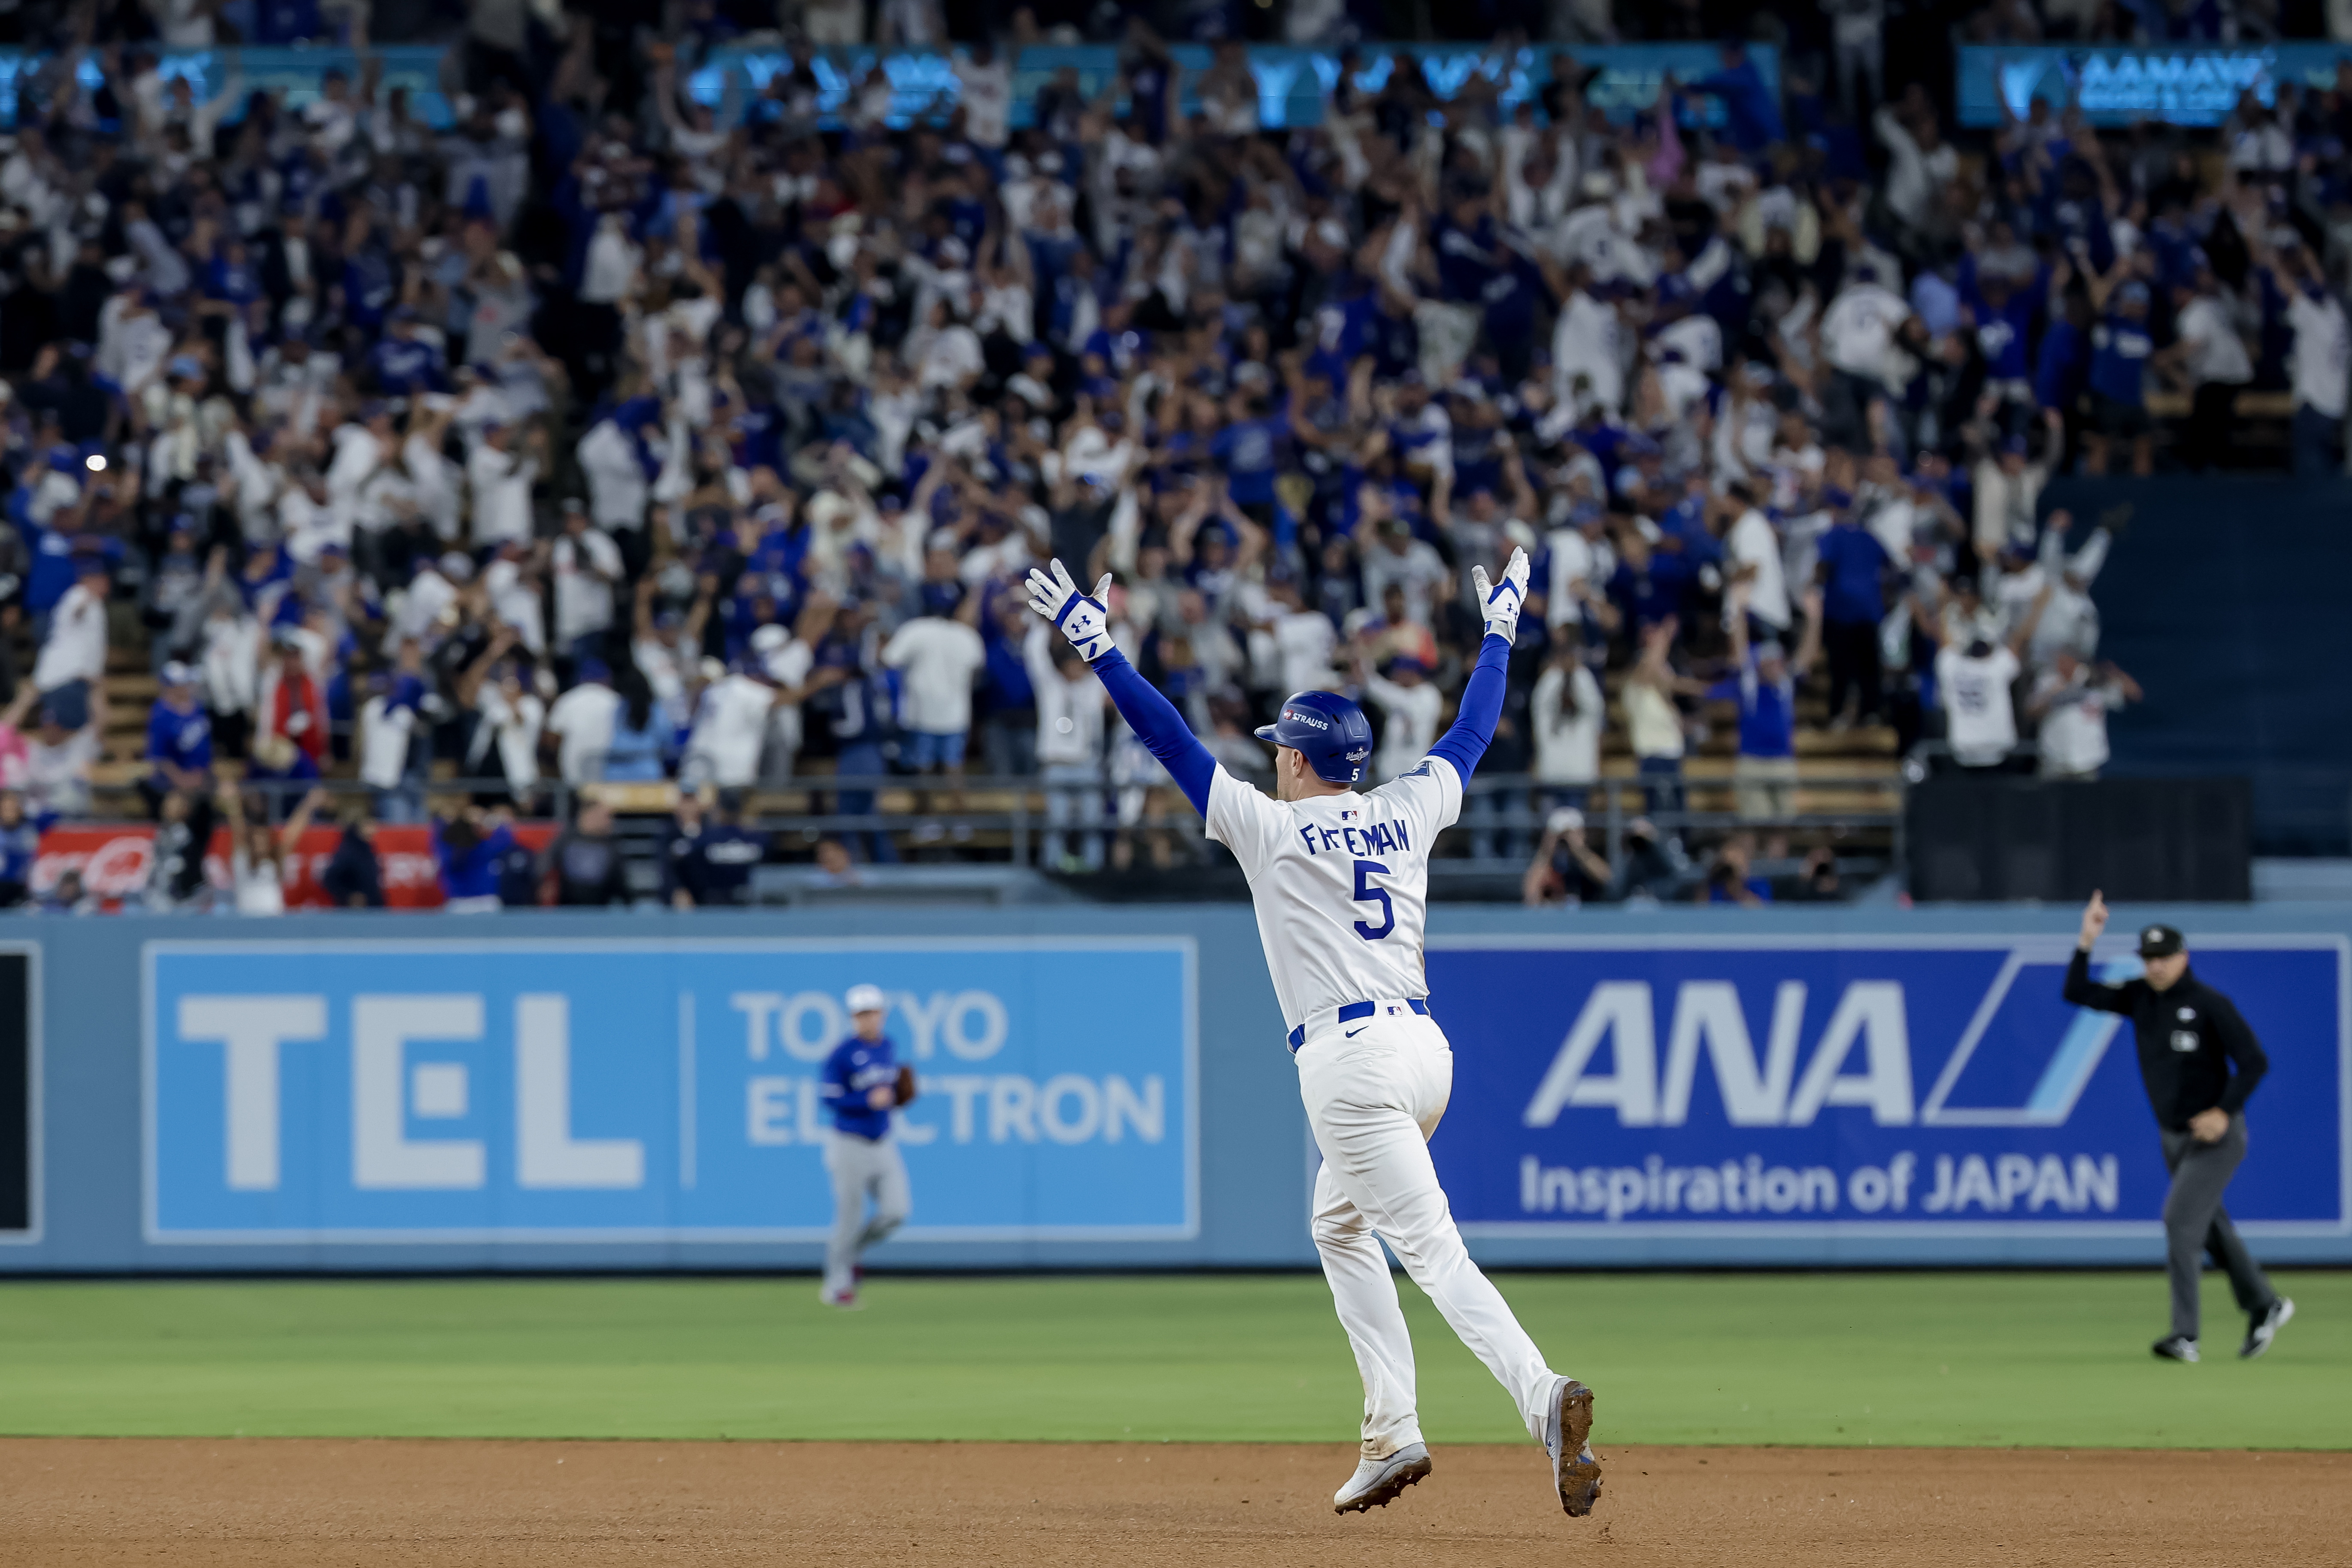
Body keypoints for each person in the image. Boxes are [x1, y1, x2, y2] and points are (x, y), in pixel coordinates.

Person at [1024, 549, 1602, 1520]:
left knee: (1432, 1252)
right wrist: (1498, 631)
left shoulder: (1270, 828)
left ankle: (1541, 1398)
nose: (1268, 761)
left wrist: (1099, 648)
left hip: (1348, 1066)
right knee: (1335, 1221)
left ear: (1294, 757)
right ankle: (1389, 1427)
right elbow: (1470, 728)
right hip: (1424, 1054)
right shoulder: (1403, 807)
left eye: (1276, 750)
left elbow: (1168, 741)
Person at [2065, 895, 2294, 1362]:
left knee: (2178, 1220)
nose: (2155, 966)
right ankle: (2264, 1303)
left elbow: (2253, 1061)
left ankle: (2184, 1334)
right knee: (2210, 1227)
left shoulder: (2208, 1003)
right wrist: (2086, 939)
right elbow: (2077, 992)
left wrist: (2223, 1111)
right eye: (2148, 958)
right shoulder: (2139, 998)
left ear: (2182, 957)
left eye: (2163, 957)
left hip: (2215, 1136)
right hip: (2173, 1136)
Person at [818, 983, 914, 1310]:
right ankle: (837, 1286)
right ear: (852, 1018)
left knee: (896, 1212)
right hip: (849, 1142)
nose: (867, 1018)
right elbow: (828, 1097)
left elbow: (889, 1095)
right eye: (861, 1013)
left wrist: (896, 1098)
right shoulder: (841, 1054)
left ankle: (852, 1253)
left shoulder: (888, 1046)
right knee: (849, 1217)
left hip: (883, 1141)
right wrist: (865, 1099)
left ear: (882, 1014)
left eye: (872, 1012)